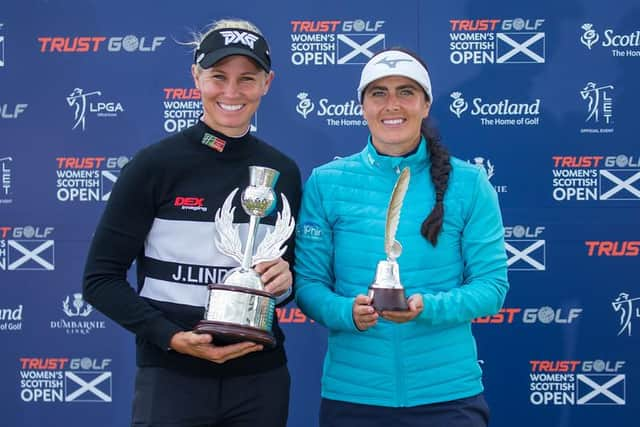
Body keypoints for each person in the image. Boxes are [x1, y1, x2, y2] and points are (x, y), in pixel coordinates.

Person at [83, 18, 301, 427]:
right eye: (219, 77)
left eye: (247, 79)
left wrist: (285, 283)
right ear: (196, 78)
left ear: (267, 83)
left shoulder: (281, 172)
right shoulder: (154, 165)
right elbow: (99, 279)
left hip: (260, 378)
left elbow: (288, 282)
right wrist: (168, 336)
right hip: (172, 375)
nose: (232, 92)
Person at [294, 48, 509, 427]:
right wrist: (348, 313)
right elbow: (308, 285)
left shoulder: (470, 183)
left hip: (447, 396)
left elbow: (492, 287)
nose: (392, 104)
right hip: (353, 395)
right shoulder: (326, 182)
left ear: (425, 104)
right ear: (362, 106)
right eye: (379, 93)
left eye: (406, 91)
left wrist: (427, 306)